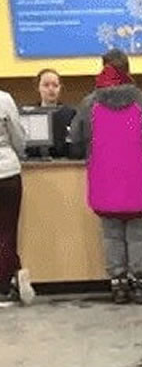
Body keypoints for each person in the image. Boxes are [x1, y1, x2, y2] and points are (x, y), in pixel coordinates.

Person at [70, 49, 142, 305]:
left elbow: (76, 141)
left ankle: (118, 284)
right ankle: (140, 285)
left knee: (112, 235)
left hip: (104, 183)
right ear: (128, 70)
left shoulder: (89, 104)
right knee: (141, 236)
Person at [0, 89, 35, 306]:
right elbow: (18, 136)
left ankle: (13, 276)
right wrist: (20, 153)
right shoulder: (4, 99)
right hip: (7, 172)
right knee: (7, 231)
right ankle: (5, 284)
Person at [26, 68, 76, 159]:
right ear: (38, 87)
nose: (51, 89)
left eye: (55, 85)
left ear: (60, 87)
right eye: (46, 85)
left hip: (63, 163)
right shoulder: (30, 114)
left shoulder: (70, 113)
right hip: (34, 162)